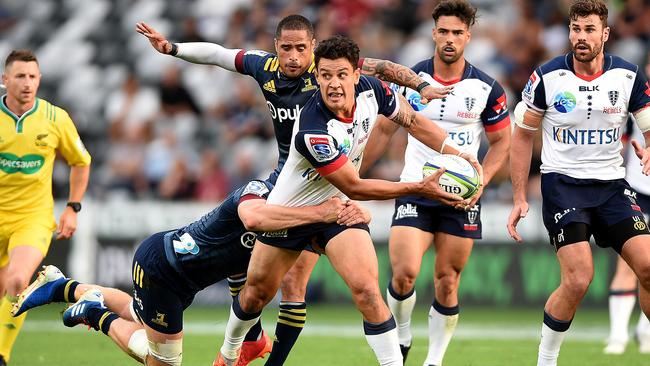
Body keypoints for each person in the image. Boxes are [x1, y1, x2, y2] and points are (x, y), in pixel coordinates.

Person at [136, 14, 451, 366]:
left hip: (336, 190)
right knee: (258, 285)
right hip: (289, 186)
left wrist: (422, 89)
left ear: (313, 49)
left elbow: (385, 69)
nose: (293, 57)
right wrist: (173, 48)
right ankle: (235, 346)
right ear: (276, 47)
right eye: (286, 48)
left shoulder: (331, 68)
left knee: (345, 286)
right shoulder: (266, 69)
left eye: (301, 48)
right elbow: (219, 55)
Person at [214, 35, 482, 366]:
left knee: (368, 292)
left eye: (342, 74)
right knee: (255, 295)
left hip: (338, 211)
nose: (334, 84)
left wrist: (457, 153)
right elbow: (354, 186)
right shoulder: (314, 129)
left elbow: (412, 120)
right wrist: (418, 187)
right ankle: (227, 355)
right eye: (325, 75)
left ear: (356, 75)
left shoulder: (375, 91)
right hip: (292, 212)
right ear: (316, 78)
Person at [12, 179, 371, 366]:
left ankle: (62, 286)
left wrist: (250, 338)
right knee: (162, 361)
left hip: (173, 267)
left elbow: (240, 282)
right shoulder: (258, 196)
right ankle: (93, 313)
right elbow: (253, 221)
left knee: (139, 314)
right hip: (165, 269)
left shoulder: (288, 226)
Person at [360, 1, 511, 364]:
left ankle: (434, 360)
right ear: (433, 33)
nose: (449, 39)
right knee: (404, 275)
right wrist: (356, 175)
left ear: (468, 37)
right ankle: (404, 330)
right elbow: (383, 128)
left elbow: (503, 141)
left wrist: (481, 182)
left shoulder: (486, 88)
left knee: (448, 280)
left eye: (457, 33)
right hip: (415, 185)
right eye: (443, 31)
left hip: (461, 197)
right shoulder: (410, 79)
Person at [506, 1, 650, 365]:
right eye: (575, 29)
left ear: (605, 33)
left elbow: (649, 125)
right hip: (563, 187)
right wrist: (520, 196)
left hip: (612, 187)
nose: (581, 37)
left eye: (589, 29)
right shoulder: (546, 77)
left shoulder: (629, 76)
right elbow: (522, 135)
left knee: (648, 267)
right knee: (578, 278)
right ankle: (546, 359)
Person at [0, 49, 91, 366]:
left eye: (33, 77)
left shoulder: (55, 118)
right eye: (20, 76)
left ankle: (2, 354)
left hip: (32, 217)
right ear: (5, 80)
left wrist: (72, 208)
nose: (27, 83)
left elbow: (81, 162)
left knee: (16, 281)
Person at [604, 119, 650, 354]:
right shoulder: (638, 100)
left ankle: (645, 330)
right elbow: (619, 144)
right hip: (637, 191)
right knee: (629, 266)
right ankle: (617, 336)